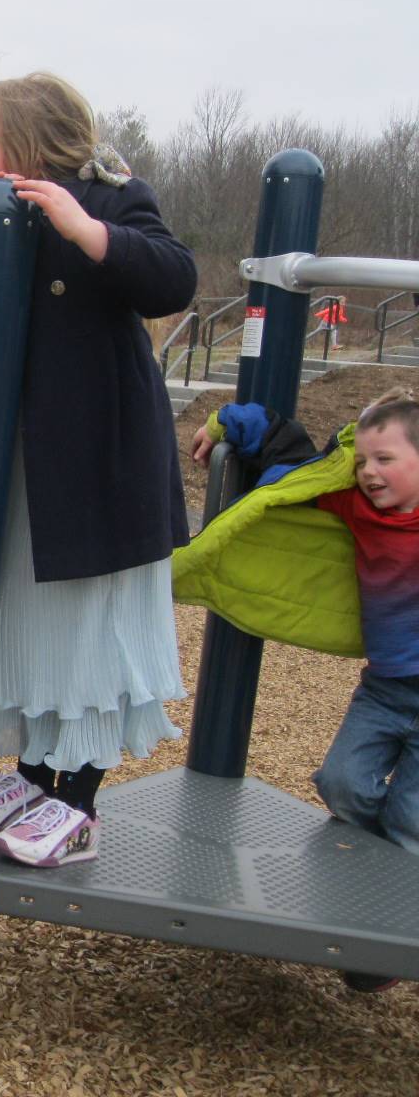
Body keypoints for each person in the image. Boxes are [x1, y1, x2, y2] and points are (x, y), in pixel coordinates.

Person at [0, 72, 196, 866]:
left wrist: (83, 228)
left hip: (100, 472)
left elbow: (173, 277)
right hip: (23, 472)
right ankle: (32, 776)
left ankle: (80, 800)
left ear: (24, 146)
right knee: (29, 627)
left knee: (92, 631)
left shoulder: (111, 198)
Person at [188, 390, 418, 991]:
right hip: (387, 690)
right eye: (364, 460)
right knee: (340, 783)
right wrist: (223, 425)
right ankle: (371, 884)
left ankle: (383, 952)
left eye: (386, 460)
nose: (370, 472)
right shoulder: (353, 503)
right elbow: (284, 453)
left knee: (410, 821)